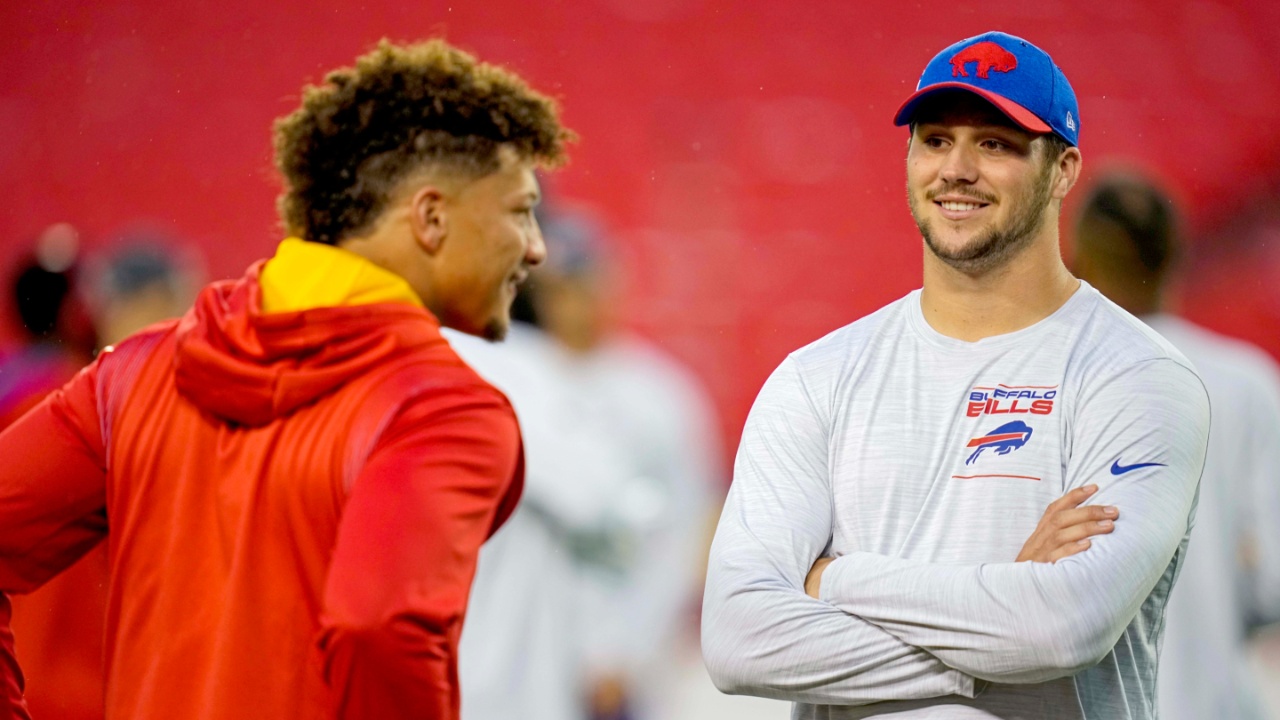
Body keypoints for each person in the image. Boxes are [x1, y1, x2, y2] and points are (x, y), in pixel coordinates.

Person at [0, 38, 571, 720]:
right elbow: (379, 626)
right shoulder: (445, 409)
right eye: (518, 209)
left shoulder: (131, 373)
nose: (536, 248)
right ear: (431, 217)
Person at [702, 31, 1210, 719]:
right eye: (935, 140)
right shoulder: (816, 378)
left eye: (996, 144)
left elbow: (1062, 628)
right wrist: (1002, 615)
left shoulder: (1136, 377)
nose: (957, 169)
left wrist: (832, 581)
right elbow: (740, 641)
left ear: (1063, 170)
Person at [450, 208, 722, 720]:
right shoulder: (515, 376)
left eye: (581, 283)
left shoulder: (658, 396)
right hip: (519, 650)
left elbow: (687, 533)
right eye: (556, 289)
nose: (573, 302)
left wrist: (628, 650)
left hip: (628, 660)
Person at [1073, 174, 1280, 720]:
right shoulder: (1247, 383)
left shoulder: (1044, 385)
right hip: (1216, 704)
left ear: (1079, 262)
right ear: (1175, 258)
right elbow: (1272, 583)